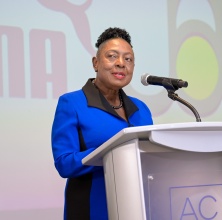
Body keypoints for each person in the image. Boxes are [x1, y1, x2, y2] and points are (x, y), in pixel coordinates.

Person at [51, 27, 153, 220]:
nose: (121, 64)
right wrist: (111, 151)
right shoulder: (72, 103)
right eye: (112, 56)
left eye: (128, 59)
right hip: (92, 209)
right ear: (96, 63)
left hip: (139, 208)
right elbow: (64, 164)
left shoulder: (141, 109)